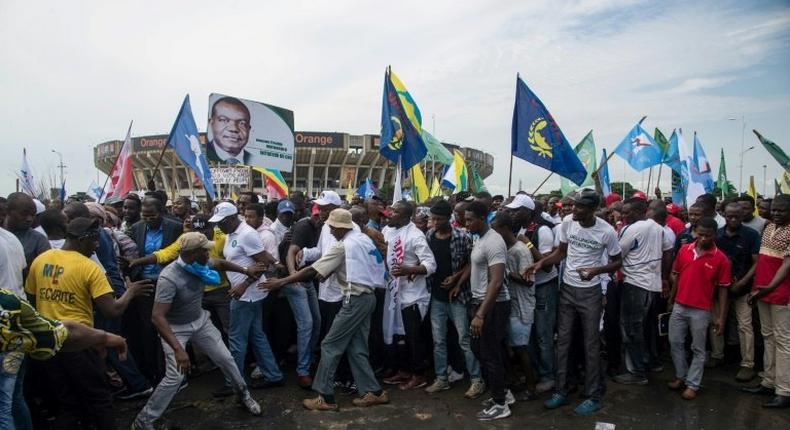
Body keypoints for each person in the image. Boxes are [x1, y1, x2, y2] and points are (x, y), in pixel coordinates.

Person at [24, 217, 152, 429]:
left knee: (67, 402)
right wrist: (130, 292)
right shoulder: (89, 267)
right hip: (79, 343)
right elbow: (112, 310)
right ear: (82, 240)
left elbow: (31, 299)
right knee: (99, 400)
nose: (97, 245)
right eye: (94, 240)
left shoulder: (41, 260)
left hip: (48, 342)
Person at [261, 208, 389, 411]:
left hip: (354, 300)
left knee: (330, 345)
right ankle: (374, 392)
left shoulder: (343, 246)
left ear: (339, 228)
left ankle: (326, 398)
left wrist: (282, 281)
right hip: (368, 298)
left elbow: (312, 270)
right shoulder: (362, 239)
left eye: (331, 226)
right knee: (356, 348)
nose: (328, 230)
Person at [132, 233, 261, 429]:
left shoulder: (200, 263)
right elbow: (157, 317)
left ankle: (243, 395)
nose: (208, 252)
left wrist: (245, 270)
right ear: (192, 253)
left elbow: (221, 264)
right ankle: (143, 421)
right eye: (204, 250)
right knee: (174, 377)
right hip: (175, 329)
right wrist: (178, 349)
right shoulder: (169, 278)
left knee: (226, 359)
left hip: (200, 322)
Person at [531, 190, 623, 416]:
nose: (574, 209)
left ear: (592, 209)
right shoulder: (567, 223)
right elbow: (561, 253)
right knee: (563, 341)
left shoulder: (606, 231)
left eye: (580, 207)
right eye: (574, 206)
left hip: (590, 293)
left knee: (590, 344)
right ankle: (561, 390)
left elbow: (617, 262)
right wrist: (540, 263)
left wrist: (596, 271)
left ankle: (594, 395)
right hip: (568, 290)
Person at [209, 202, 283, 396]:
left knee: (236, 340)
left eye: (222, 222)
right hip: (248, 294)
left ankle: (233, 382)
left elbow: (262, 263)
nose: (219, 226)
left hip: (247, 295)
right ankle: (274, 375)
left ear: (233, 218)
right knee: (257, 336)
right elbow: (262, 256)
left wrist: (243, 285)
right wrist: (276, 262)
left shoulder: (246, 233)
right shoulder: (232, 233)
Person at [246, 199, 317, 387]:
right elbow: (278, 260)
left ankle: (303, 361)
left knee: (303, 324)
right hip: (281, 283)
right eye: (283, 213)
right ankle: (297, 369)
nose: (287, 216)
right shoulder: (271, 233)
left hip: (298, 281)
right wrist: (288, 275)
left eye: (289, 213)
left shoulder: (301, 227)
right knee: (294, 325)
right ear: (277, 213)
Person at [423, 200, 483, 398]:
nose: (434, 222)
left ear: (448, 218)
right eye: (432, 218)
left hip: (457, 296)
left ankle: (476, 380)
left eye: (438, 219)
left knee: (464, 339)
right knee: (438, 340)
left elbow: (470, 263)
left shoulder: (462, 237)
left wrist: (456, 280)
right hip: (437, 296)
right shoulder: (429, 235)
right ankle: (442, 379)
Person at [666, 217, 730, 400]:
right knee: (675, 342)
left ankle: (693, 384)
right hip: (679, 305)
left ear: (714, 235)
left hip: (701, 310)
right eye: (700, 235)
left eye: (707, 236)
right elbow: (676, 276)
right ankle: (681, 376)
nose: (703, 239)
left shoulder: (721, 259)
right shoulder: (685, 250)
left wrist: (721, 318)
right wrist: (671, 299)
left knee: (698, 348)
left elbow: (723, 290)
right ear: (695, 232)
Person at [613, 197, 673, 386]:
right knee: (645, 327)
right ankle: (650, 362)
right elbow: (668, 252)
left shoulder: (632, 229)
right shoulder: (657, 227)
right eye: (622, 212)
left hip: (635, 284)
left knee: (631, 328)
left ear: (640, 211)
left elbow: (616, 254)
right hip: (651, 284)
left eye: (627, 212)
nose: (623, 216)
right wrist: (663, 277)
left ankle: (637, 372)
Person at [463, 201, 512, 420]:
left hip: (492, 304)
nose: (466, 223)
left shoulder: (494, 241)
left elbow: (497, 281)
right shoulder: (480, 238)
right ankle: (503, 392)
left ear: (482, 218)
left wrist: (481, 314)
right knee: (481, 349)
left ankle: (501, 405)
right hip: (480, 301)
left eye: (470, 219)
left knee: (489, 352)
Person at [381, 201, 436, 390]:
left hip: (412, 297)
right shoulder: (388, 231)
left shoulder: (416, 236)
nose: (389, 213)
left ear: (405, 217)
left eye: (394, 211)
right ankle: (403, 371)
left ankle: (418, 374)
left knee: (413, 338)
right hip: (394, 293)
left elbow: (430, 265)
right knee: (399, 336)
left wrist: (409, 269)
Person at [127, 196, 184, 382]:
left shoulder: (174, 227)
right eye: (145, 215)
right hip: (145, 285)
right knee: (149, 328)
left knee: (170, 327)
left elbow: (177, 255)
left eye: (152, 215)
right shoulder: (136, 229)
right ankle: (156, 370)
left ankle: (176, 368)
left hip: (168, 282)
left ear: (161, 213)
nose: (148, 219)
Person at [742, 194, 790, 408]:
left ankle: (784, 390)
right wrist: (757, 289)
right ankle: (769, 382)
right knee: (767, 336)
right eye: (775, 210)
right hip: (761, 291)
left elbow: (786, 265)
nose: (777, 213)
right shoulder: (769, 228)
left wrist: (769, 287)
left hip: (781, 293)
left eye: (782, 210)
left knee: (783, 341)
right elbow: (762, 260)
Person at [712, 202, 761, 382]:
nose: (733, 219)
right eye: (729, 216)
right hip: (719, 289)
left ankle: (747, 364)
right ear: (723, 214)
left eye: (737, 216)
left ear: (743, 216)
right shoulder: (716, 235)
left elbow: (757, 262)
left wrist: (743, 282)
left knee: (745, 325)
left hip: (742, 289)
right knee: (716, 322)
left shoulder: (751, 235)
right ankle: (717, 355)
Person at [491, 213, 537, 398]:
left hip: (522, 305)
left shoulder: (520, 250)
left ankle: (531, 387)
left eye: (495, 229)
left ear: (505, 228)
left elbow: (528, 280)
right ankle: (514, 380)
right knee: (507, 345)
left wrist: (506, 273)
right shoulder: (503, 248)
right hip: (508, 303)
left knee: (520, 347)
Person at [3, 193, 50, 282]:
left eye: (33, 215)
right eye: (24, 214)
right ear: (8, 210)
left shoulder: (39, 240)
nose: (29, 219)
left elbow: (45, 273)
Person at [206, 96, 253, 165]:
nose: (233, 129)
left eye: (242, 123)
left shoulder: (256, 160)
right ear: (211, 123)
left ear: (249, 129)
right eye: (224, 120)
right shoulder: (200, 156)